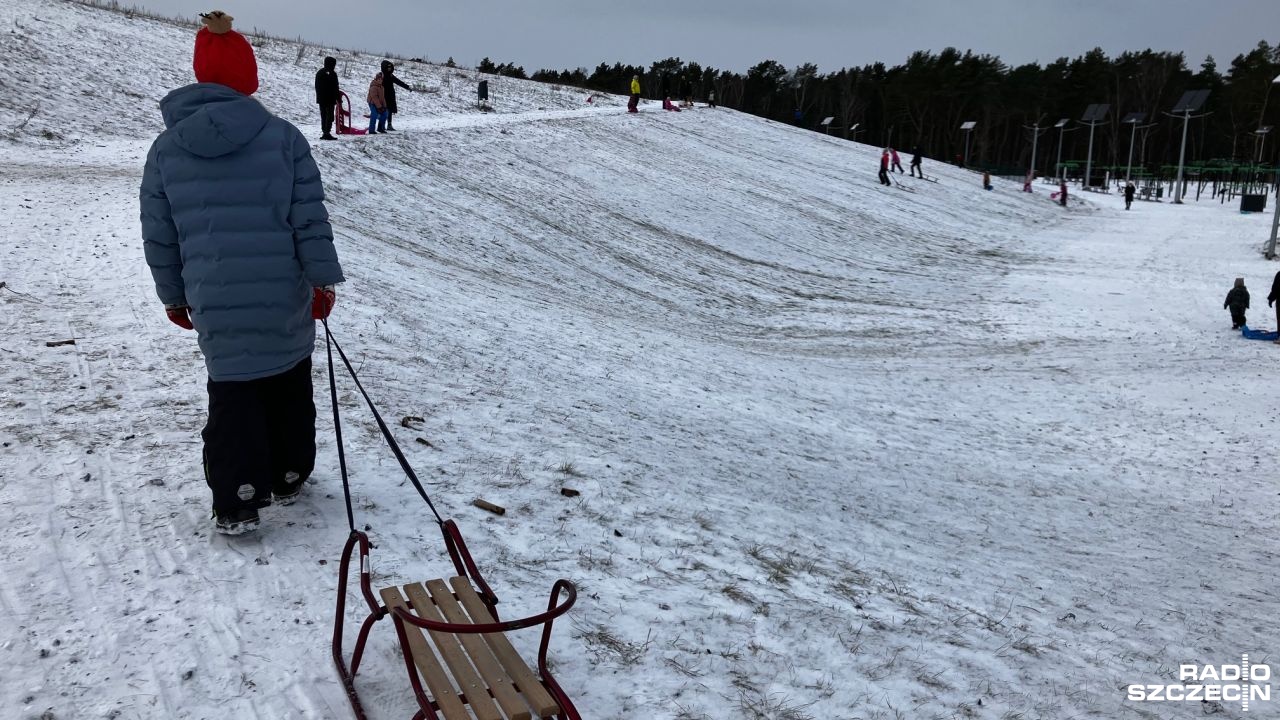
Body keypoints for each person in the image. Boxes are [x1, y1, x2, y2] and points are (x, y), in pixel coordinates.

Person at [140, 10, 345, 536]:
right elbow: (309, 219)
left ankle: (238, 499)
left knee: (233, 392)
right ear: (248, 76)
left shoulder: (166, 149)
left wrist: (173, 295)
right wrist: (321, 280)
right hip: (283, 294)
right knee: (289, 380)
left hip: (215, 298)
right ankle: (289, 473)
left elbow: (161, 233)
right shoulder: (284, 138)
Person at [380, 60, 412, 131]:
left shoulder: (391, 76)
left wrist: (407, 87)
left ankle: (389, 125)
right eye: (388, 68)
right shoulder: (381, 75)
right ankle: (382, 125)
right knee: (383, 110)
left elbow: (399, 82)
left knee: (389, 110)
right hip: (383, 95)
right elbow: (376, 84)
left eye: (390, 68)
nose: (389, 69)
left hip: (390, 96)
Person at [314, 56, 339, 140]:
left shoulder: (320, 72)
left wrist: (319, 96)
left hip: (322, 99)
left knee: (324, 116)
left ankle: (325, 132)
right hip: (329, 100)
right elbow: (335, 87)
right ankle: (326, 132)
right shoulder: (332, 74)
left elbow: (317, 86)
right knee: (329, 116)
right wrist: (338, 98)